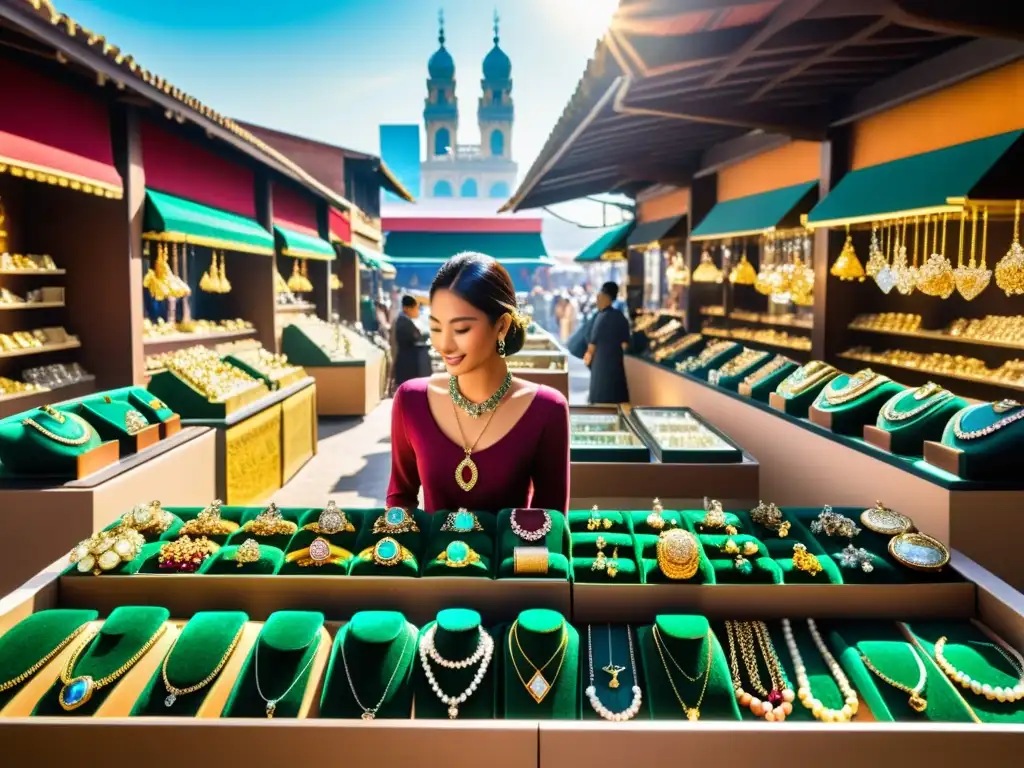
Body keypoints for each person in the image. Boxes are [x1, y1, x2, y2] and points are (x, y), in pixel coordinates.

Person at [388, 252, 569, 514]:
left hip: (514, 555)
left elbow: (550, 522)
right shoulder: (411, 400)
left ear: (502, 326)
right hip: (433, 556)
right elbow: (399, 500)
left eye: (461, 329)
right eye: (437, 328)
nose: (445, 345)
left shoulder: (546, 408)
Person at [584, 281, 630, 404]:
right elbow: (626, 344)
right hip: (616, 365)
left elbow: (592, 343)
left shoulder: (600, 316)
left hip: (601, 365)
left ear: (605, 297)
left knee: (600, 400)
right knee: (616, 400)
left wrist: (588, 357)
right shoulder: (620, 316)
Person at [391, 295, 430, 388]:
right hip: (406, 363)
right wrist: (424, 336)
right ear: (407, 308)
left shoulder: (404, 320)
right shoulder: (404, 321)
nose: (417, 311)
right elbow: (415, 337)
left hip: (405, 362)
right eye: (416, 308)